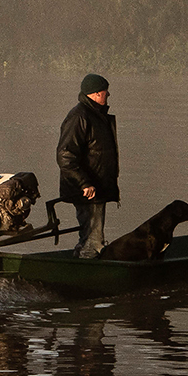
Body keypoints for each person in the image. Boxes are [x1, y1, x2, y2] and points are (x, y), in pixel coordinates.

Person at [57, 73, 119, 258]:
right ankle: (87, 267)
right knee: (93, 241)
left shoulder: (96, 116)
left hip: (97, 186)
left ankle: (81, 260)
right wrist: (84, 183)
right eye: (106, 91)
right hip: (88, 189)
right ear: (97, 93)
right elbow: (65, 155)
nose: (108, 94)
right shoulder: (80, 116)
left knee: (91, 237)